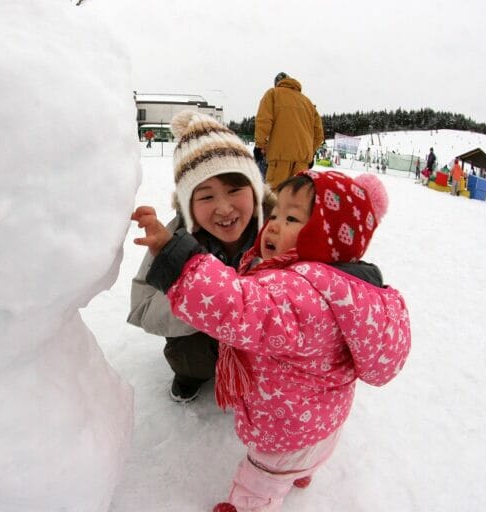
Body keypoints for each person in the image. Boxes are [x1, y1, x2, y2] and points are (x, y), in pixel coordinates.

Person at [131, 170, 411, 512]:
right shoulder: (345, 289)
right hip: (323, 424)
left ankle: (252, 503)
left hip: (285, 432)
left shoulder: (299, 295)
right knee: (303, 457)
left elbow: (237, 304)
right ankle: (301, 471)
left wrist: (175, 255)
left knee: (259, 480)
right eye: (276, 213)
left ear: (331, 238)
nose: (274, 224)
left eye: (292, 218)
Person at [127, 110, 269, 403]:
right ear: (188, 205)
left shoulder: (279, 233)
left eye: (235, 189)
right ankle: (192, 373)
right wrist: (181, 272)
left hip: (263, 343)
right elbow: (141, 311)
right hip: (200, 344)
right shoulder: (174, 238)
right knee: (188, 355)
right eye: (206, 196)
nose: (225, 208)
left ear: (255, 191)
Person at [254, 72, 324, 191]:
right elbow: (319, 134)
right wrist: (310, 153)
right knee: (298, 198)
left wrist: (260, 145)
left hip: (279, 158)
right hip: (302, 162)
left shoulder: (273, 94)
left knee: (275, 197)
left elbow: (264, 121)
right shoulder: (308, 103)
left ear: (277, 83)